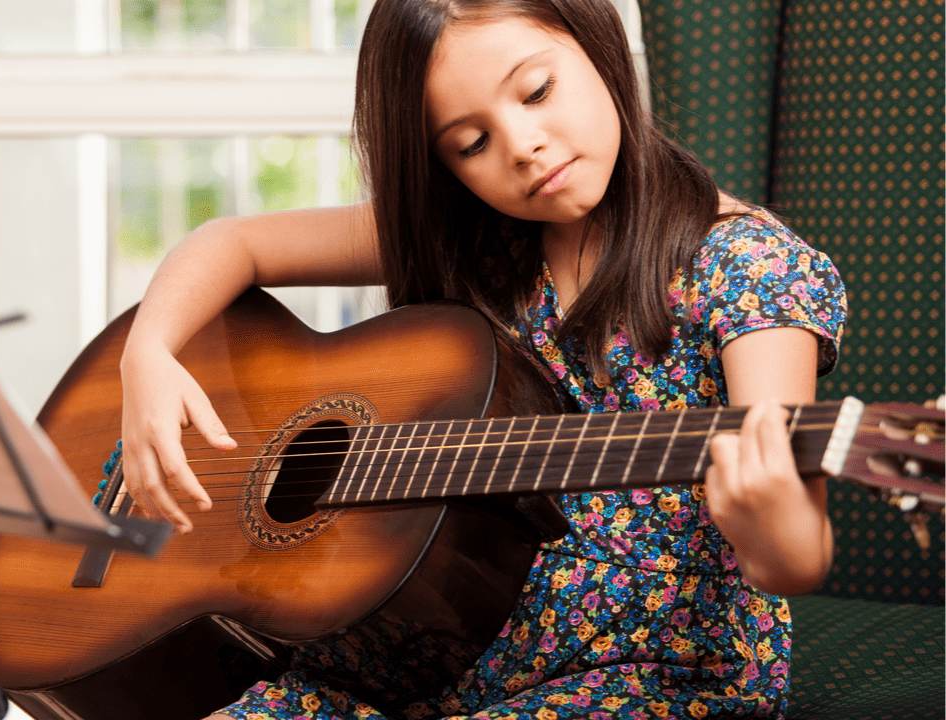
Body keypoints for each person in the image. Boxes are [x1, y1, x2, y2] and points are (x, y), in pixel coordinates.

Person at [116, 0, 847, 716]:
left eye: (537, 90)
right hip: (413, 656)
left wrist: (772, 525)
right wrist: (147, 355)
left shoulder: (749, 266)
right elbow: (230, 243)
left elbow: (796, 559)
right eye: (471, 144)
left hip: (655, 672)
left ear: (597, 42)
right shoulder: (472, 238)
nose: (523, 145)